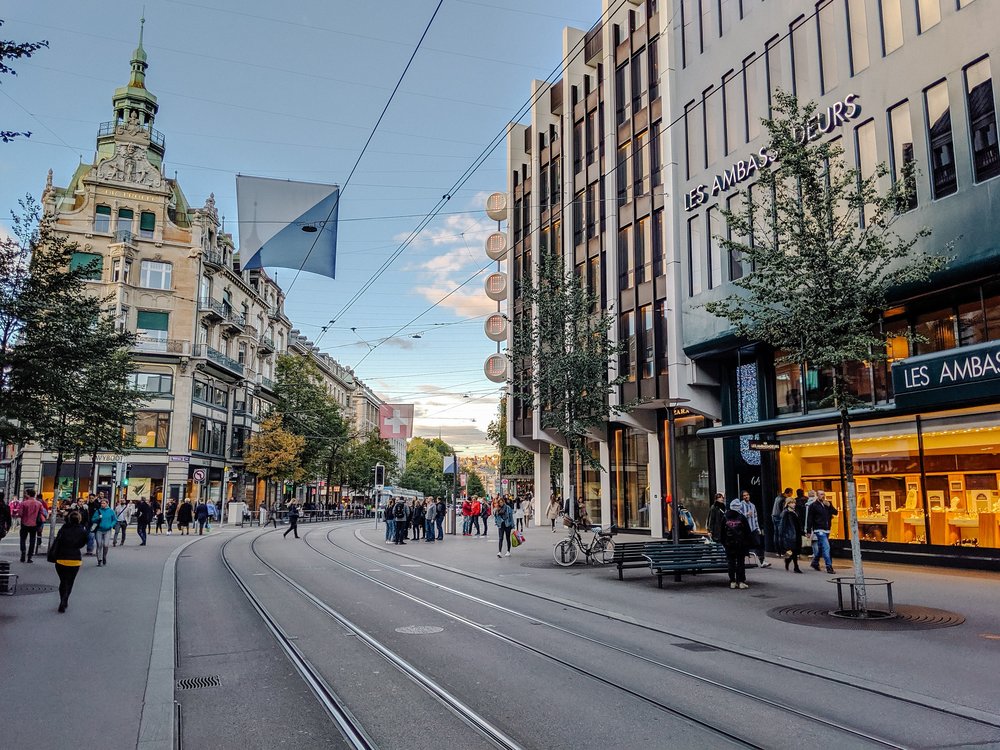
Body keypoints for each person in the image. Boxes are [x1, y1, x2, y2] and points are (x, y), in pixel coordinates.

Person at [50, 510, 88, 612]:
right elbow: (83, 543)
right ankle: (65, 599)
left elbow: (58, 540)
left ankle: (62, 598)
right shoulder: (82, 530)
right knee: (70, 581)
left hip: (61, 557)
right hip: (75, 559)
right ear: (79, 519)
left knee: (63, 581)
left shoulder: (64, 529)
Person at [721, 499, 752, 589]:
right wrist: (747, 543)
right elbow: (747, 531)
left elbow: (722, 532)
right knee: (740, 563)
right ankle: (741, 581)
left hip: (729, 544)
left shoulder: (725, 517)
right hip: (740, 543)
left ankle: (732, 581)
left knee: (731, 562)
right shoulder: (741, 517)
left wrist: (724, 543)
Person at [736, 490, 770, 568]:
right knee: (743, 546)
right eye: (744, 495)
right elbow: (738, 517)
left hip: (753, 528)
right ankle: (741, 562)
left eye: (747, 495)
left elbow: (755, 517)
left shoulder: (752, 505)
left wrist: (757, 528)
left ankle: (762, 561)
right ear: (742, 497)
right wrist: (746, 515)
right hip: (744, 530)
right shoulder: (740, 505)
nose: (746, 496)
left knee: (759, 545)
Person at [806, 490, 838, 573]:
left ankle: (815, 562)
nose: (822, 496)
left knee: (821, 547)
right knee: (826, 547)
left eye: (824, 494)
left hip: (827, 529)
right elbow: (809, 518)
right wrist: (808, 530)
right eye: (821, 494)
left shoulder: (827, 504)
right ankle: (829, 566)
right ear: (817, 495)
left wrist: (830, 506)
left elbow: (835, 513)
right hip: (819, 529)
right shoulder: (813, 506)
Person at [18, 489, 47, 563]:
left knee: (23, 539)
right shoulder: (39, 503)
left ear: (28, 494)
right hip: (34, 524)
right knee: (32, 540)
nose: (25, 494)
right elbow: (42, 513)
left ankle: (23, 553)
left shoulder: (23, 503)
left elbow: (20, 514)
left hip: (24, 523)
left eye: (26, 493)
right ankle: (29, 556)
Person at [778, 497, 804, 573]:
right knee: (794, 551)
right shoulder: (786, 513)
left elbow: (797, 524)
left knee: (795, 551)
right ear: (788, 504)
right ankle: (796, 566)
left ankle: (788, 560)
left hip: (797, 533)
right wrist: (782, 535)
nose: (794, 504)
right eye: (792, 503)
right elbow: (782, 525)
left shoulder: (794, 512)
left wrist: (802, 532)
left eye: (794, 503)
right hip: (790, 535)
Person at [90, 498, 117, 567]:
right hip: (99, 530)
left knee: (105, 545)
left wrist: (111, 525)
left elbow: (115, 520)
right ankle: (99, 559)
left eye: (104, 503)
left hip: (107, 530)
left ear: (107, 503)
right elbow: (93, 519)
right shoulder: (98, 511)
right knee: (99, 544)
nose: (102, 504)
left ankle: (104, 556)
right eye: (101, 503)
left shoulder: (111, 511)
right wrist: (98, 517)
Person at [772, 488, 793, 556]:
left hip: (774, 516)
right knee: (781, 534)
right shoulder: (783, 499)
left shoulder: (777, 497)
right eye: (791, 493)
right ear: (789, 492)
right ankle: (782, 551)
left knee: (776, 534)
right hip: (779, 517)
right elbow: (783, 509)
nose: (791, 494)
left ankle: (777, 551)